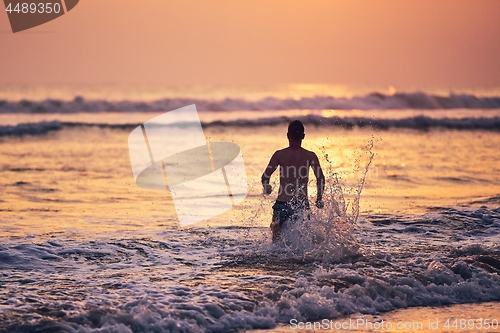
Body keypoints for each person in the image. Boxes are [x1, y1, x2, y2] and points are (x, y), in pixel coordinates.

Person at [261, 120, 325, 243]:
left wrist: (266, 188)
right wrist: (319, 198)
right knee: (303, 239)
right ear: (303, 136)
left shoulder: (279, 155)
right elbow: (320, 178)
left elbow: (265, 176)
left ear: (287, 135)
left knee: (277, 238)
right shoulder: (310, 156)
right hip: (301, 204)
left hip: (282, 203)